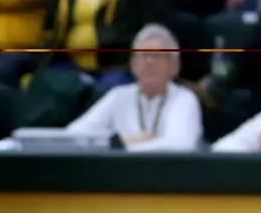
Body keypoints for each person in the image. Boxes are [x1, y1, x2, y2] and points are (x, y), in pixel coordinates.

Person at [64, 23, 202, 151]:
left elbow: (180, 145)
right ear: (134, 65)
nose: (149, 62)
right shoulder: (119, 96)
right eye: (143, 55)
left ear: (174, 67)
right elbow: (73, 135)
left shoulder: (185, 98)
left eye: (157, 56)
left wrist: (121, 147)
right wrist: (118, 142)